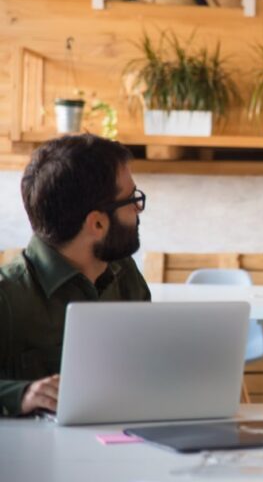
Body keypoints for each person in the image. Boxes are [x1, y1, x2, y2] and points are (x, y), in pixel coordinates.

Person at [0, 134, 151, 417]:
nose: (137, 208)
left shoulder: (124, 273)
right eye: (131, 199)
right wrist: (21, 395)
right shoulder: (7, 296)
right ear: (97, 223)